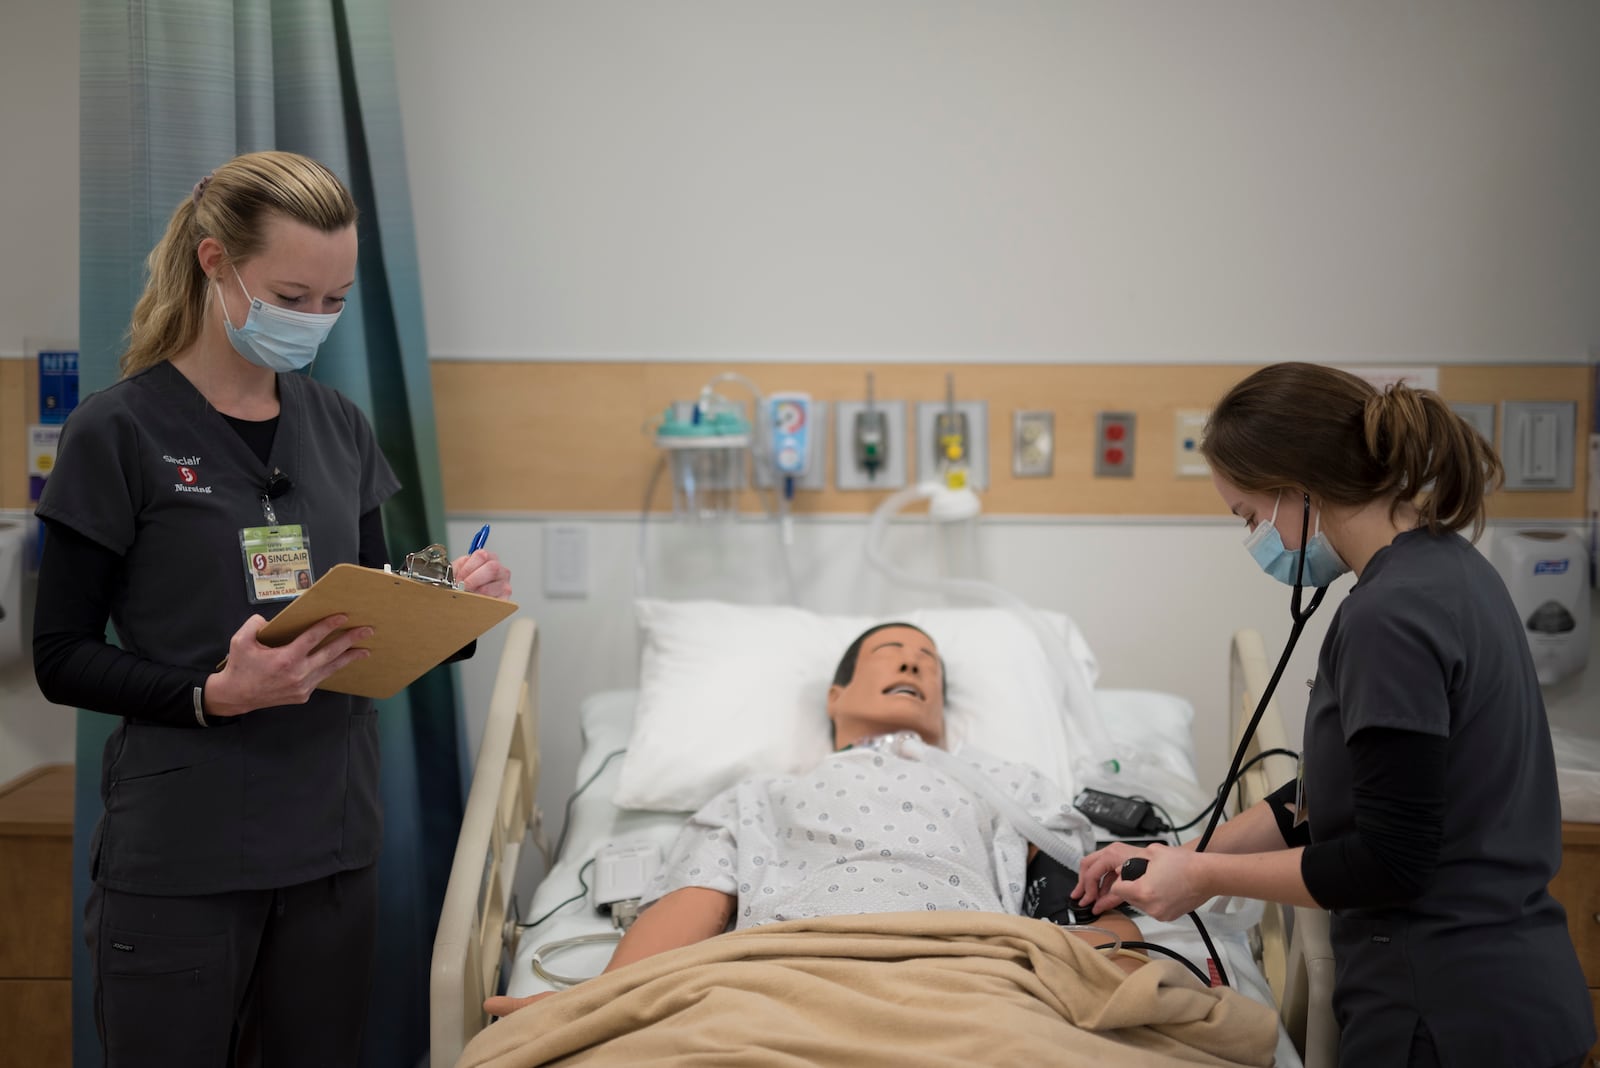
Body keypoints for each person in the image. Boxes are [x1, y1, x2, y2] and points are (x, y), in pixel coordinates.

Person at [32, 150, 513, 1066]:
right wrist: (216, 694)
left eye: (335, 301)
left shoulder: (337, 424)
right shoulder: (119, 430)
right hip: (185, 859)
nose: (316, 321)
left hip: (331, 848)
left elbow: (370, 594)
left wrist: (446, 595)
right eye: (293, 296)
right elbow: (59, 654)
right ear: (216, 264)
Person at [1072, 363, 1595, 1068]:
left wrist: (1204, 881)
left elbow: (1389, 862)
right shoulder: (1451, 570)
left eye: (1250, 515)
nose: (1255, 537)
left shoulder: (1390, 618)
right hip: (1511, 996)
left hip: (1445, 1016)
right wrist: (1187, 855)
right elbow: (1352, 788)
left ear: (1299, 486)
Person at [486, 622, 1143, 1018]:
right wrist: (599, 1000)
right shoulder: (760, 793)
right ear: (837, 695)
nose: (914, 662)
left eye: (929, 661)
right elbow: (696, 901)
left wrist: (1119, 961)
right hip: (785, 969)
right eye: (892, 650)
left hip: (965, 967)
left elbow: (1078, 889)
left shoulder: (1006, 783)